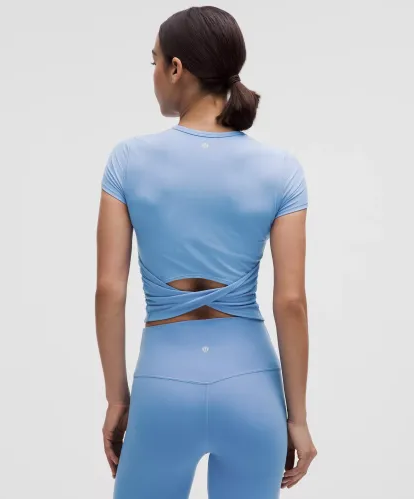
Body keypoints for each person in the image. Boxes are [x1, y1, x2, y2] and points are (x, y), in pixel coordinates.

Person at [95, 5, 317, 499]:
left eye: (154, 61)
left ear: (176, 68)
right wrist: (298, 419)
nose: (154, 73)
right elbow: (291, 303)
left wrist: (117, 400)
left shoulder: (127, 160)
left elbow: (109, 290)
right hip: (252, 389)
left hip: (163, 387)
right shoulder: (281, 169)